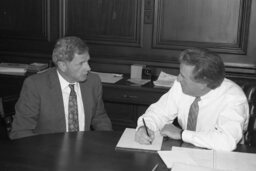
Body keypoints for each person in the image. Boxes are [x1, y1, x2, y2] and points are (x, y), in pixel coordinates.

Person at [135, 48, 249, 151]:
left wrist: (182, 134)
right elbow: (159, 112)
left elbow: (226, 142)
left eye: (183, 76)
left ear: (203, 83)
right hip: (187, 152)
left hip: (223, 159)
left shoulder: (233, 98)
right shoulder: (180, 86)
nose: (178, 78)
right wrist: (143, 128)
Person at [10, 36, 112, 139]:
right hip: (47, 150)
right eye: (81, 63)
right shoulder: (36, 85)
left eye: (87, 61)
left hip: (84, 149)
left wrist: (106, 142)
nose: (88, 68)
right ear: (62, 65)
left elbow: (100, 118)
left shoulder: (92, 82)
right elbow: (20, 132)